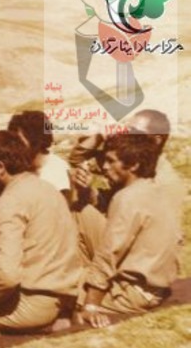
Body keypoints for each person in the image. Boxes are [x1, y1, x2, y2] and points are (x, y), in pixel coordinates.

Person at [0, 131, 82, 333]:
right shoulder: (47, 188)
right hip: (64, 295)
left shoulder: (11, 200)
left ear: (0, 167)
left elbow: (7, 276)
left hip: (34, 303)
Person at [76, 134, 180, 328]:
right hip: (154, 286)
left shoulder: (127, 198)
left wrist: (91, 305)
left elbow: (109, 254)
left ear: (133, 165)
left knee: (58, 283)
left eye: (111, 161)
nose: (104, 167)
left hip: (133, 293)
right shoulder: (152, 189)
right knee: (83, 212)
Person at [69, 109, 185, 264]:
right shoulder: (129, 160)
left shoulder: (163, 180)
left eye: (135, 132)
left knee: (80, 213)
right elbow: (76, 159)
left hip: (140, 253)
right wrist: (100, 136)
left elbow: (159, 237)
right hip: (123, 234)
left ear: (157, 140)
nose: (128, 135)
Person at [8, 110, 70, 195]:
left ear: (35, 141)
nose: (14, 146)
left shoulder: (57, 170)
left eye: (18, 141)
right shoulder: (19, 167)